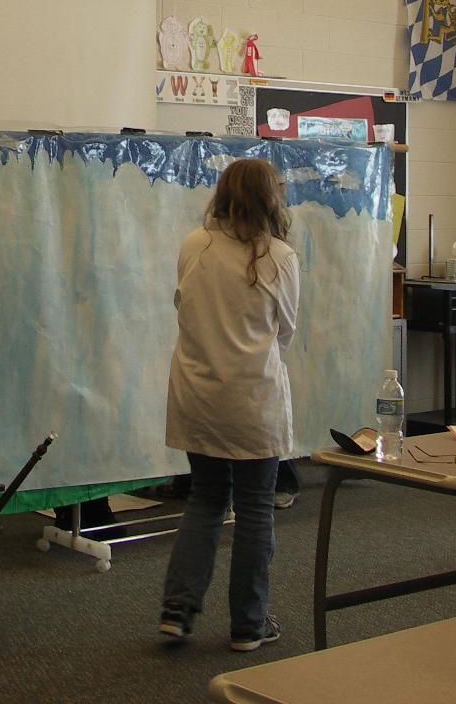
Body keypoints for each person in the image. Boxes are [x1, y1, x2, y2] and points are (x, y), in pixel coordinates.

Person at [158, 158, 299, 653]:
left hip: (199, 394)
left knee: (206, 499)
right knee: (256, 508)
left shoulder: (194, 245)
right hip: (253, 400)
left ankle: (177, 612)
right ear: (271, 199)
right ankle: (248, 625)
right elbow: (285, 331)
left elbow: (184, 308)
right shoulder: (280, 257)